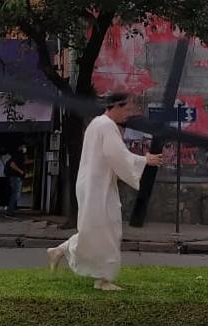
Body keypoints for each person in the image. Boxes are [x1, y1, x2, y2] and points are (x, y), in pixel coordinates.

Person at [47, 92, 161, 291]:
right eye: (126, 109)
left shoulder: (96, 124)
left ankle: (60, 250)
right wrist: (145, 160)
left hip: (94, 184)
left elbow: (111, 156)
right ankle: (102, 279)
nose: (129, 114)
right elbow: (117, 155)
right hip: (97, 187)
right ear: (116, 106)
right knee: (108, 229)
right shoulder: (106, 126)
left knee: (95, 228)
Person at [5, 144, 27, 217]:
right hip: (15, 177)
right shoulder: (18, 155)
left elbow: (24, 162)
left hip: (14, 177)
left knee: (14, 194)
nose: (25, 148)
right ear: (20, 147)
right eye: (24, 147)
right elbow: (12, 164)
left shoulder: (19, 155)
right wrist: (21, 171)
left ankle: (11, 210)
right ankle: (10, 212)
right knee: (15, 195)